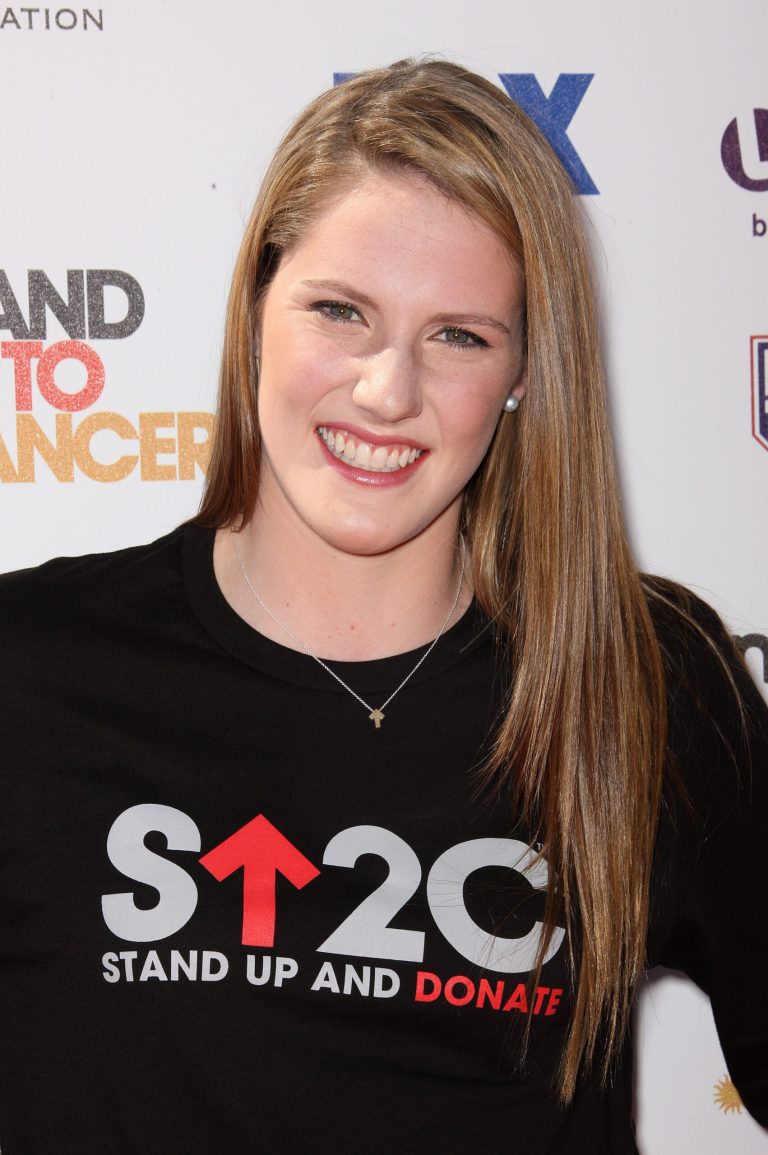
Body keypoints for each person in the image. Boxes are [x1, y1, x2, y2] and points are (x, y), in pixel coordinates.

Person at [0, 58, 766, 1153]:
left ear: (524, 373)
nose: (387, 390)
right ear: (256, 308)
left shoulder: (645, 677)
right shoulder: (28, 670)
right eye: (341, 311)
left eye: (459, 335)